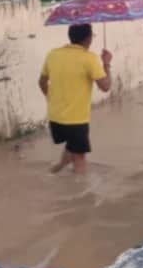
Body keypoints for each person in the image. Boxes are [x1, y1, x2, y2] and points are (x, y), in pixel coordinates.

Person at [38, 23, 112, 175]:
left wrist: (50, 99)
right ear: (88, 38)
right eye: (92, 36)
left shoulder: (53, 54)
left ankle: (56, 170)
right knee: (80, 161)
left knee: (72, 147)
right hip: (76, 120)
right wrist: (106, 64)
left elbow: (42, 82)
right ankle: (79, 195)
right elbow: (105, 86)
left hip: (55, 117)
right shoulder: (89, 58)